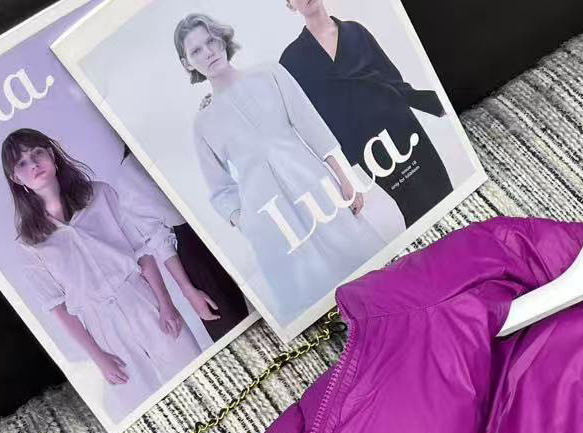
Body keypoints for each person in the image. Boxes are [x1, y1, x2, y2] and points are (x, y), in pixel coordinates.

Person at [174, 12, 379, 318]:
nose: (208, 52)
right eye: (196, 51)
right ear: (188, 63)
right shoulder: (203, 122)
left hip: (315, 188)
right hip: (270, 221)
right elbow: (220, 190)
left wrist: (344, 177)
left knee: (364, 268)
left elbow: (312, 126)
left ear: (222, 39)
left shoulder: (269, 73)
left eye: (211, 41)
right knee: (315, 302)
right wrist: (247, 223)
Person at [1, 127, 201, 418]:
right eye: (21, 163)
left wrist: (166, 304)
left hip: (143, 301)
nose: (33, 164)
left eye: (37, 153)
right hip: (104, 329)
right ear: (15, 178)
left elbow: (142, 252)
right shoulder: (30, 244)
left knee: (195, 373)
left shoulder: (100, 194)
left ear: (52, 156)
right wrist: (98, 357)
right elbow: (58, 308)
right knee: (148, 410)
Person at [279, 0, 454, 227]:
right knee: (414, 206)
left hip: (401, 123)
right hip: (367, 146)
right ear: (290, 5)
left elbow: (393, 80)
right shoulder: (291, 60)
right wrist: (341, 174)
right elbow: (311, 125)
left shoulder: (355, 31)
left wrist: (436, 103)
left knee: (442, 188)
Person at [116, 147, 250, 342]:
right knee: (237, 333)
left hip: (232, 222)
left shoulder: (183, 140)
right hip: (196, 252)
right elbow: (158, 238)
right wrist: (188, 290)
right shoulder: (129, 175)